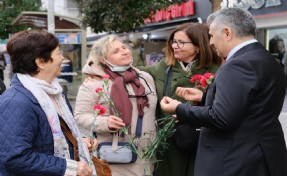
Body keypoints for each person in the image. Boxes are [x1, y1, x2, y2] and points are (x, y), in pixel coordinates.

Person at [160, 7, 287, 176]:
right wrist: (204, 97)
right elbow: (250, 105)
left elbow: (221, 118)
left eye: (211, 35)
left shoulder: (238, 64)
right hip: (262, 155)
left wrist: (179, 109)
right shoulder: (267, 59)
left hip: (236, 161)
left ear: (227, 33)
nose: (210, 42)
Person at [0, 30, 96, 176]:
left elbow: (50, 138)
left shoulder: (54, 93)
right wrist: (67, 167)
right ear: (40, 62)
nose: (62, 58)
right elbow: (15, 157)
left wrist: (78, 142)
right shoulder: (16, 102)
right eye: (58, 53)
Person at [138, 22, 222, 176]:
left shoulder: (218, 69)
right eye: (173, 41)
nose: (175, 46)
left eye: (181, 42)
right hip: (169, 142)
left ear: (198, 46)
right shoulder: (165, 66)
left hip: (201, 139)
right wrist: (96, 73)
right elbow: (136, 73)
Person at [74, 34, 157, 176]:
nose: (124, 52)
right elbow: (80, 116)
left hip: (147, 154)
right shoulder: (94, 84)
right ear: (103, 59)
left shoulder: (144, 78)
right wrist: (105, 122)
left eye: (124, 47)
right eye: (115, 51)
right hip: (117, 155)